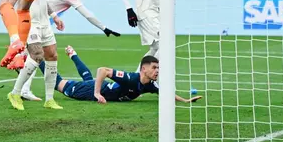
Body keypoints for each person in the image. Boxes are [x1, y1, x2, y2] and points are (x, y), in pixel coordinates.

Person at [44, 47, 201, 104]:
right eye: (154, 68)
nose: (157, 71)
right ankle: (35, 59)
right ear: (144, 69)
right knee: (58, 84)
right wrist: (96, 93)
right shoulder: (130, 78)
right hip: (91, 92)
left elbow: (166, 93)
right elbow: (102, 70)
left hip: (100, 87)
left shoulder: (150, 85)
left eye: (158, 68)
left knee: (89, 79)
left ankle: (73, 55)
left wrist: (186, 100)